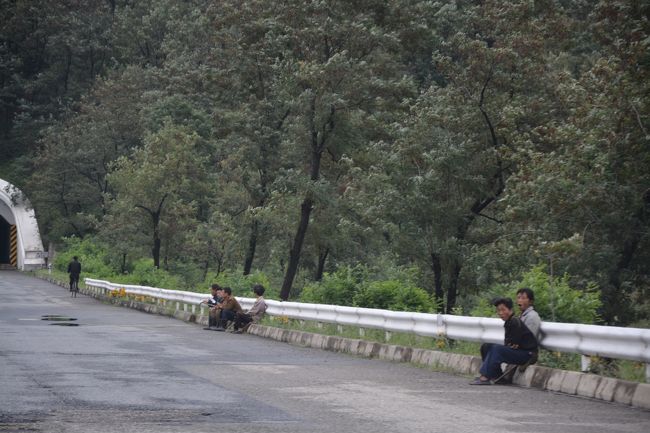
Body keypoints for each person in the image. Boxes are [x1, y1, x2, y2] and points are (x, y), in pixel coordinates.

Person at [470, 297, 538, 385]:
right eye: (498, 310)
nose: (500, 313)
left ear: (510, 310)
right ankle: (496, 376)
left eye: (503, 310)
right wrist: (510, 345)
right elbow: (510, 344)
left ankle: (485, 377)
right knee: (486, 346)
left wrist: (511, 345)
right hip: (520, 352)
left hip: (528, 354)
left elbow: (514, 344)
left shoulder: (514, 321)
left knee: (496, 349)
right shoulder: (508, 322)